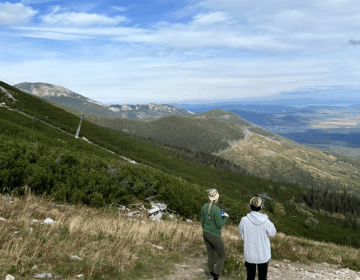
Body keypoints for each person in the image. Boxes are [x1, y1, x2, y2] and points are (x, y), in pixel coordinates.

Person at [239, 197, 276, 280]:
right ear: (261, 207)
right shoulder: (266, 221)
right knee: (262, 277)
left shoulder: (244, 220)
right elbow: (273, 233)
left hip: (249, 253)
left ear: (251, 206)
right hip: (263, 254)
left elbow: (242, 234)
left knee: (250, 276)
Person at [201, 189, 229, 280]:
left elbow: (202, 221)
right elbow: (219, 225)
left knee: (211, 254)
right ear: (217, 198)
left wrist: (206, 229)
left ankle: (211, 275)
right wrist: (225, 218)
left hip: (205, 233)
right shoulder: (216, 210)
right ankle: (215, 277)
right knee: (222, 256)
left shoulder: (204, 207)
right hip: (214, 235)